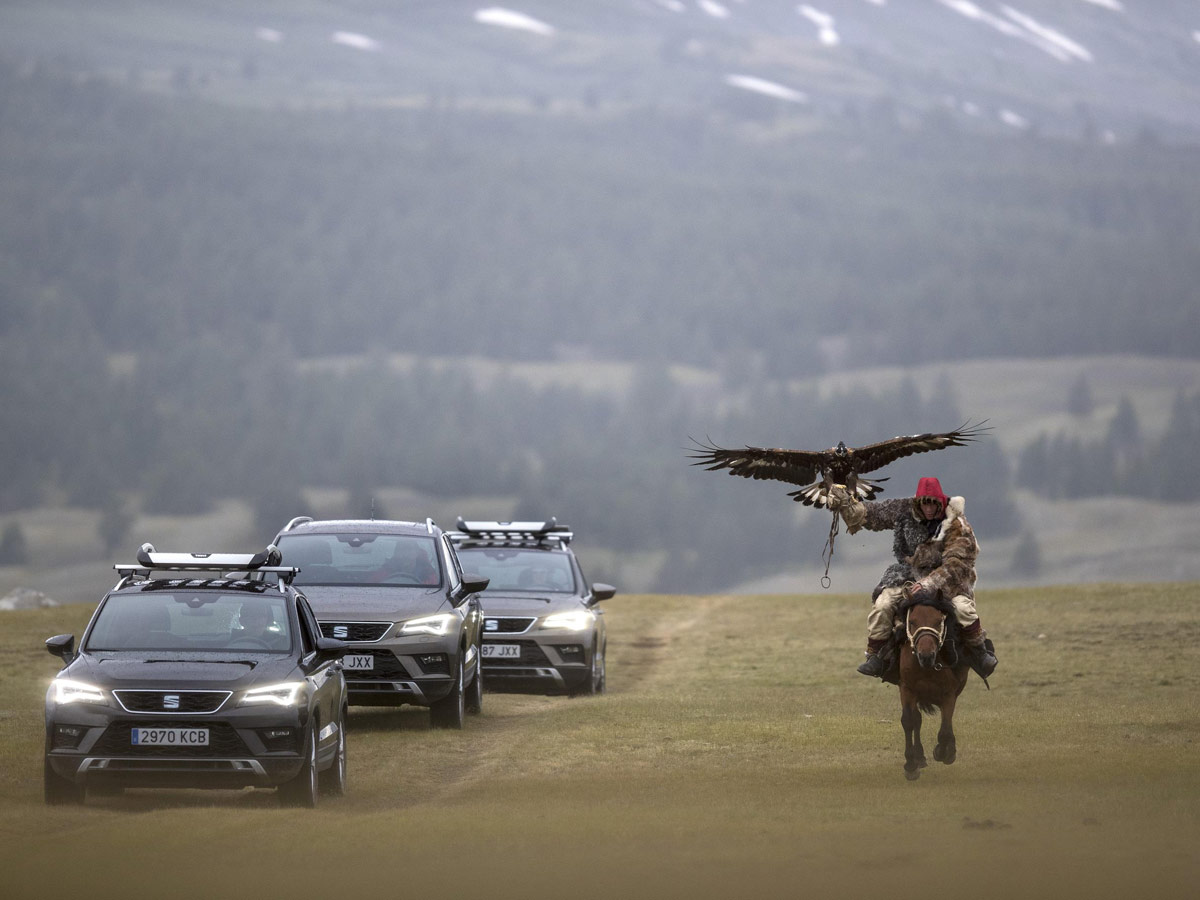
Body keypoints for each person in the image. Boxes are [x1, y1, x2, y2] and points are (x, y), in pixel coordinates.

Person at [833, 476, 998, 680]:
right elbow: (873, 514)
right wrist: (847, 505)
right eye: (924, 503)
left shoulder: (957, 524)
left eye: (933, 503)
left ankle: (979, 653)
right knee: (884, 604)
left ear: (940, 502)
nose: (928, 508)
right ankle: (876, 656)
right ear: (918, 502)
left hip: (949, 581)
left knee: (963, 609)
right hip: (908, 575)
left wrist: (929, 584)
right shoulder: (905, 510)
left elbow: (956, 564)